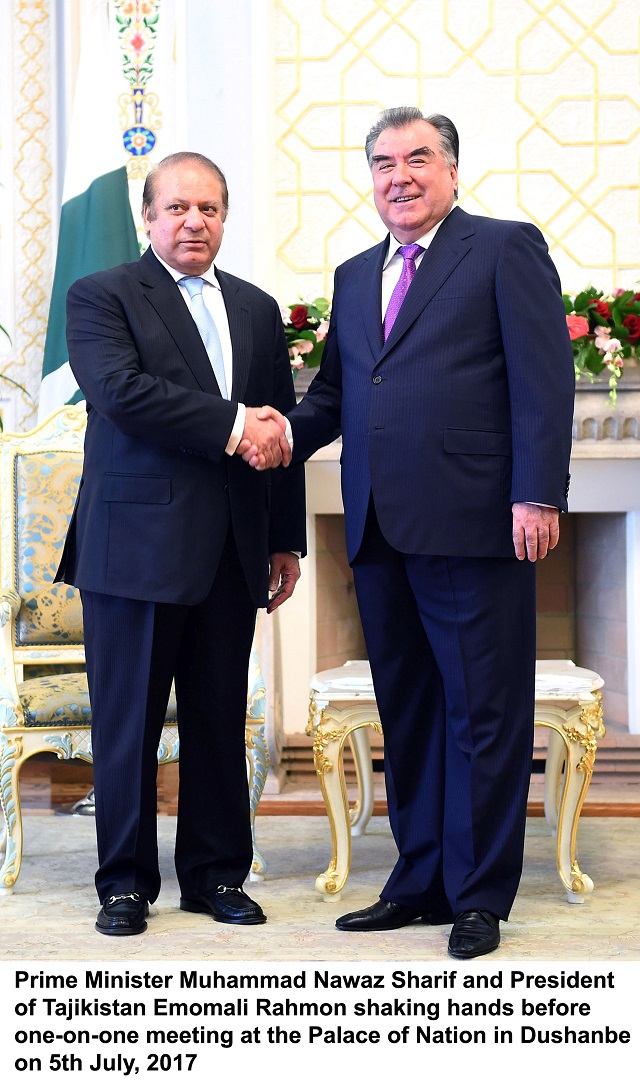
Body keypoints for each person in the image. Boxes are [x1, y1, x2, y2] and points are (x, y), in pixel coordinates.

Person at [244, 107, 575, 959]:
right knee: (412, 713)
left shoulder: (503, 247)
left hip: (476, 520)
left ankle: (478, 894)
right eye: (384, 162)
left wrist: (537, 493)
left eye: (418, 158)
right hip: (382, 525)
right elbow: (339, 396)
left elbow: (545, 381)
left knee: (484, 714)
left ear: (452, 169)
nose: (400, 174)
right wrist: (273, 431)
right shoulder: (356, 275)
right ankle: (419, 880)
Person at [57, 151, 306, 936]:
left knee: (216, 715)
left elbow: (280, 432)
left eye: (209, 209)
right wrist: (236, 425)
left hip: (233, 546)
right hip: (133, 545)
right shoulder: (102, 296)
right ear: (149, 217)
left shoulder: (259, 309)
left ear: (226, 218)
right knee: (127, 721)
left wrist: (284, 537)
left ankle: (213, 874)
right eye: (177, 209)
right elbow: (123, 396)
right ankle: (124, 883)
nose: (193, 222)